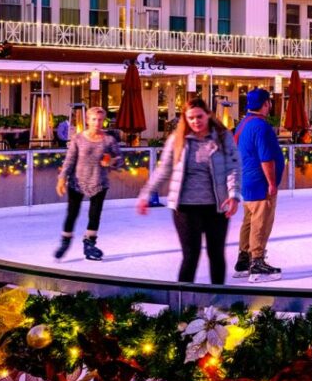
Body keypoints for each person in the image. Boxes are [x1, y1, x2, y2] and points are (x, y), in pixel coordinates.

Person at [137, 99, 242, 284]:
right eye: (191, 118)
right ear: (185, 119)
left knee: (216, 254)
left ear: (208, 114)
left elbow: (233, 167)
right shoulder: (177, 140)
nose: (196, 121)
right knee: (190, 255)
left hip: (216, 206)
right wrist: (146, 193)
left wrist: (233, 194)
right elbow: (164, 169)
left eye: (199, 116)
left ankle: (217, 301)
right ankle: (184, 303)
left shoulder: (223, 137)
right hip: (185, 208)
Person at [54, 106, 122, 261]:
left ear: (103, 121)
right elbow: (70, 160)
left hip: (99, 182)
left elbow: (121, 159)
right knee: (72, 213)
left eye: (100, 120)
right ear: (87, 120)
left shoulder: (109, 140)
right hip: (77, 181)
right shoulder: (78, 138)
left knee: (95, 215)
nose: (97, 123)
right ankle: (65, 241)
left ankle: (89, 244)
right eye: (93, 119)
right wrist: (62, 178)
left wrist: (112, 161)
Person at [234, 88, 286, 281]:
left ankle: (243, 259)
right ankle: (257, 261)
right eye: (269, 102)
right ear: (266, 104)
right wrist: (272, 183)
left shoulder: (243, 124)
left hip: (247, 181)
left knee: (248, 220)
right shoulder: (261, 126)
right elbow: (266, 158)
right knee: (261, 222)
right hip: (259, 182)